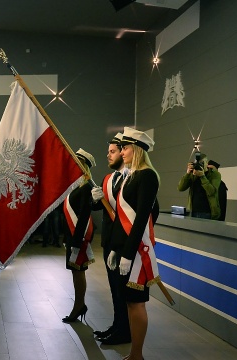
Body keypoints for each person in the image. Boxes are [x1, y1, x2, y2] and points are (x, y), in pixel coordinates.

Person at [108, 127, 160, 360]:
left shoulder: (147, 175)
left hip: (136, 251)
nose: (123, 151)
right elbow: (121, 218)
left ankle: (137, 355)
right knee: (129, 302)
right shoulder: (131, 175)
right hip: (124, 249)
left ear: (136, 149)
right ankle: (133, 353)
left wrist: (128, 253)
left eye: (126, 147)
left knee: (136, 303)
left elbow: (142, 218)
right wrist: (115, 248)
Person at [90, 133, 132, 345]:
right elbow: (101, 206)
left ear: (124, 153)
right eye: (108, 152)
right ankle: (117, 325)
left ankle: (125, 330)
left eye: (113, 151)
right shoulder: (108, 178)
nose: (109, 155)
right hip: (108, 240)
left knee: (123, 289)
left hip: (123, 242)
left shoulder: (131, 177)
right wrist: (95, 200)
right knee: (114, 288)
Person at [61, 148, 96, 323]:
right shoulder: (75, 186)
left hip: (79, 237)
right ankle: (79, 305)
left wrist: (76, 240)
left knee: (78, 270)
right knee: (76, 271)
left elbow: (84, 216)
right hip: (72, 236)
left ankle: (79, 306)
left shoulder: (86, 187)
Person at [177, 152, 221, 219]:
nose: (199, 165)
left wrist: (202, 176)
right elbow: (180, 188)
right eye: (197, 163)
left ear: (206, 163)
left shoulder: (214, 174)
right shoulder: (193, 174)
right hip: (192, 211)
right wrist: (188, 173)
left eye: (201, 163)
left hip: (207, 212)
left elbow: (212, 191)